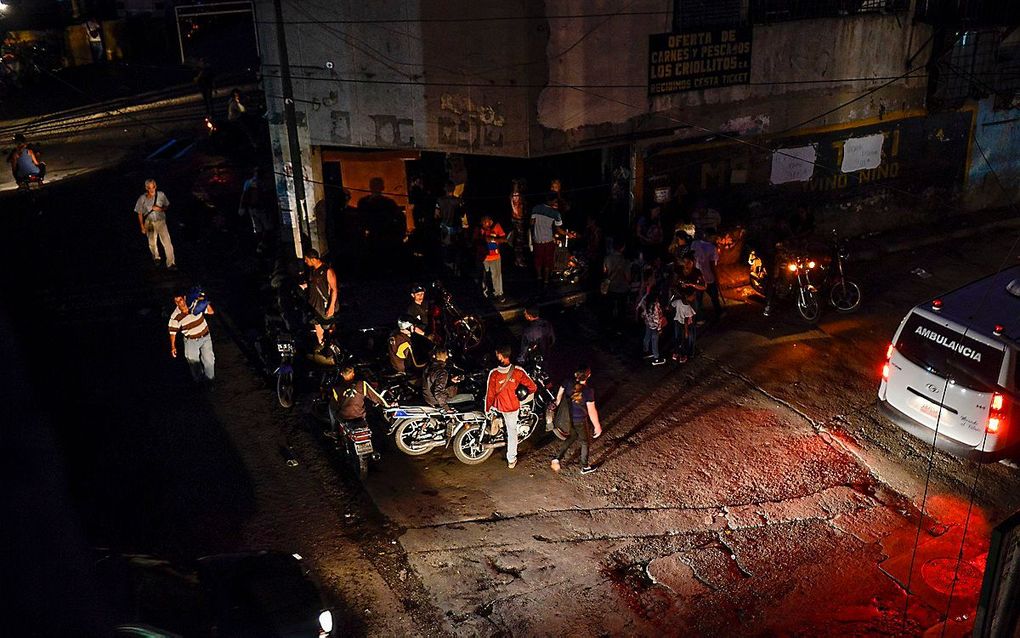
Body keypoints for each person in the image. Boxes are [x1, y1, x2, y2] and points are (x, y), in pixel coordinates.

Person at [484, 344, 537, 469]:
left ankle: (498, 421)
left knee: (502, 419)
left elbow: (489, 394)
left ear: (500, 355)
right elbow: (533, 387)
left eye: (497, 354)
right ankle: (511, 459)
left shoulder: (494, 374)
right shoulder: (518, 371)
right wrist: (519, 395)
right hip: (511, 406)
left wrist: (487, 409)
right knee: (512, 432)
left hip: (498, 406)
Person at [551, 364, 602, 475]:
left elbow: (560, 393)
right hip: (580, 421)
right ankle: (584, 466)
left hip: (568, 418)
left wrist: (557, 402)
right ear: (588, 375)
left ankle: (557, 458)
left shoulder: (568, 382)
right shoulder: (588, 391)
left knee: (572, 436)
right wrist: (597, 425)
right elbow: (591, 410)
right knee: (585, 442)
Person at [328, 364, 390, 437]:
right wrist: (387, 405)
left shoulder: (336, 389)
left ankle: (334, 431)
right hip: (359, 415)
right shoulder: (361, 384)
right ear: (353, 374)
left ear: (341, 374)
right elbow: (376, 397)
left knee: (331, 408)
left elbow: (334, 406)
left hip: (344, 417)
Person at [168, 290, 215, 384]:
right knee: (193, 362)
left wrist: (205, 301)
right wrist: (173, 346)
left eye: (180, 300)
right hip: (190, 340)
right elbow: (172, 331)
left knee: (209, 361)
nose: (178, 303)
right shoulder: (175, 315)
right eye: (176, 301)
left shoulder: (195, 305)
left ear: (184, 298)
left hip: (205, 337)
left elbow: (211, 312)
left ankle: (210, 382)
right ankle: (199, 382)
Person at [300, 249, 337, 350]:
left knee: (328, 328)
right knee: (317, 327)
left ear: (313, 259)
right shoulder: (312, 271)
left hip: (324, 305)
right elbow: (313, 284)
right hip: (314, 306)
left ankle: (333, 349)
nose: (305, 262)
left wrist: (331, 306)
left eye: (307, 259)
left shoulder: (327, 270)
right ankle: (323, 347)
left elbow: (334, 289)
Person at [134, 179, 175, 269]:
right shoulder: (142, 198)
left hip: (161, 221)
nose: (152, 189)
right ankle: (156, 256)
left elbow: (167, 205)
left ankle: (171, 263)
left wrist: (160, 209)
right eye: (149, 188)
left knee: (167, 242)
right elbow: (139, 213)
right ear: (146, 188)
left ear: (156, 186)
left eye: (153, 187)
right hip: (149, 223)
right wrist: (142, 226)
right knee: (152, 242)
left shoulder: (161, 195)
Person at [531, 192, 564, 285]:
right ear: (553, 201)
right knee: (547, 261)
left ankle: (539, 277)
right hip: (548, 240)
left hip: (537, 239)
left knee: (538, 260)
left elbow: (532, 222)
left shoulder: (535, 208)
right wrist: (567, 233)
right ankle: (546, 280)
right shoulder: (555, 213)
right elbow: (558, 228)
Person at [692, 232, 723, 321]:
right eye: (714, 237)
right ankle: (718, 313)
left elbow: (693, 259)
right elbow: (712, 265)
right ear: (710, 237)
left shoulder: (695, 243)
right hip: (708, 277)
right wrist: (717, 279)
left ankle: (698, 318)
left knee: (699, 299)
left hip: (698, 276)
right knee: (714, 297)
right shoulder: (712, 248)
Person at [435, 181, 464, 273]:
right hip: (456, 229)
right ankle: (457, 270)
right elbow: (462, 214)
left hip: (445, 228)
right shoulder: (458, 201)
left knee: (446, 249)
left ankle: (447, 270)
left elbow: (436, 215)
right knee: (457, 250)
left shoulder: (439, 200)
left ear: (445, 189)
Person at [603, 242, 631, 330]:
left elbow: (605, 272)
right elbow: (628, 277)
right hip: (622, 288)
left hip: (610, 287)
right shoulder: (625, 261)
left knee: (609, 308)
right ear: (622, 248)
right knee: (621, 309)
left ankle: (608, 326)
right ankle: (619, 328)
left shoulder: (607, 258)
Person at [478, 215, 506, 301]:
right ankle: (484, 292)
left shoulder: (496, 226)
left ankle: (499, 293)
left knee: (497, 276)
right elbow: (480, 240)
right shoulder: (479, 229)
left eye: (489, 221)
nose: (489, 223)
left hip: (495, 256)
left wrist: (494, 239)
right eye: (485, 222)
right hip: (484, 257)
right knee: (484, 276)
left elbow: (504, 239)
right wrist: (494, 239)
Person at [638, 286, 667, 366]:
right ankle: (656, 358)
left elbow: (643, 313)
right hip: (654, 326)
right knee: (654, 341)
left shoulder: (646, 301)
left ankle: (646, 351)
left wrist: (646, 319)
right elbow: (658, 318)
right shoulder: (656, 305)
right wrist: (660, 328)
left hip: (648, 323)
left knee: (647, 337)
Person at [669, 289, 696, 363]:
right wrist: (686, 332)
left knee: (677, 338)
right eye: (693, 296)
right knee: (684, 341)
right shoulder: (688, 307)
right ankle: (683, 356)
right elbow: (686, 321)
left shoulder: (678, 301)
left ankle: (675, 353)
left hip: (677, 322)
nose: (694, 297)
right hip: (684, 326)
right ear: (688, 296)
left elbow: (671, 305)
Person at [509, 185, 529, 268]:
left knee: (520, 242)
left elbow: (518, 213)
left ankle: (519, 260)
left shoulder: (520, 204)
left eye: (517, 196)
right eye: (514, 196)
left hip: (520, 222)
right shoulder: (514, 202)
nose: (515, 197)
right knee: (517, 242)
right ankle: (518, 260)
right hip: (516, 222)